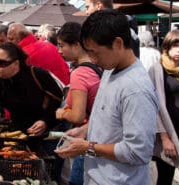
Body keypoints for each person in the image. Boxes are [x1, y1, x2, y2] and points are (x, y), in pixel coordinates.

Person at [54, 10, 158, 184]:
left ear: (117, 43)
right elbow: (109, 117)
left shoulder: (136, 89)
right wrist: (85, 131)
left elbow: (138, 151)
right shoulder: (110, 70)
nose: (92, 60)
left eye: (95, 53)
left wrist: (88, 147)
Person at [55, 22, 102, 185]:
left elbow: (77, 115)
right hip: (99, 135)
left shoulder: (80, 73)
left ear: (76, 45)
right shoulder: (99, 66)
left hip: (87, 138)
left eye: (62, 45)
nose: (59, 51)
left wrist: (62, 113)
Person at [149, 29, 179, 185]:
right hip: (170, 133)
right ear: (167, 47)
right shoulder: (157, 69)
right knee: (165, 178)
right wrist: (164, 138)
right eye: (176, 45)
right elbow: (153, 106)